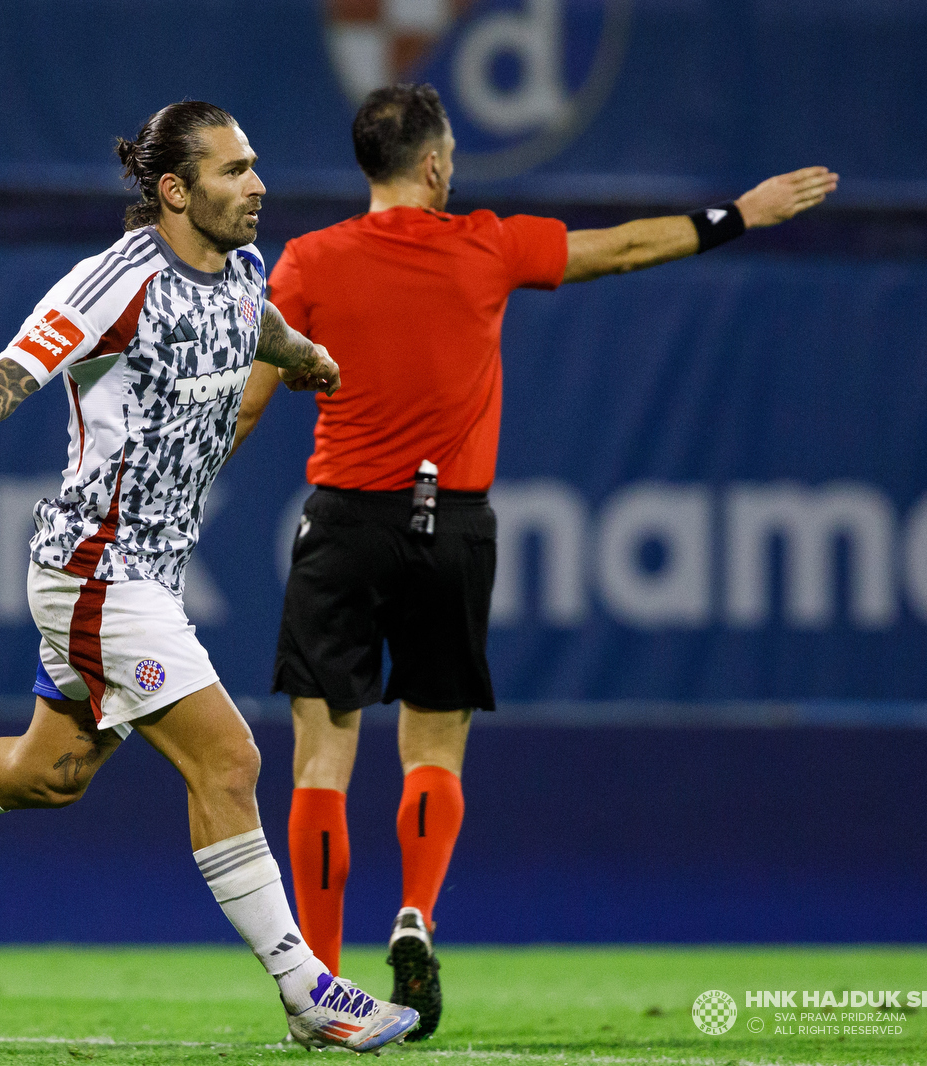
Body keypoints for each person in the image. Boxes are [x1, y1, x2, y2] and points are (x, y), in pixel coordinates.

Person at [0, 100, 420, 1052]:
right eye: (233, 171)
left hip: (147, 577)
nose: (257, 185)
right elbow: (10, 373)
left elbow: (261, 325)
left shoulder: (243, 268)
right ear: (175, 190)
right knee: (231, 761)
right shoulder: (112, 283)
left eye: (254, 165)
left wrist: (307, 358)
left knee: (52, 773)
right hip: (98, 572)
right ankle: (307, 993)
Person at [240, 83, 838, 1041]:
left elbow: (253, 398)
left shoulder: (309, 260)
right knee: (432, 749)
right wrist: (741, 214)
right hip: (454, 527)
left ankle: (315, 985)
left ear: (369, 166)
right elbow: (629, 247)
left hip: (344, 525)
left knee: (321, 759)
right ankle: (417, 916)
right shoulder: (486, 242)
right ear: (434, 164)